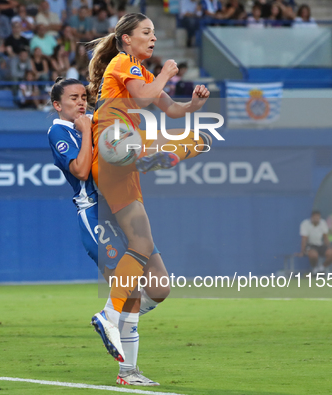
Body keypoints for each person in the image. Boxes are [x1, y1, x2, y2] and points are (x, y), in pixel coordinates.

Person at [86, 12, 212, 385]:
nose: (153, 37)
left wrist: (193, 106)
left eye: (154, 32)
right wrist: (168, 72)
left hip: (128, 165)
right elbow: (142, 98)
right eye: (146, 32)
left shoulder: (140, 72)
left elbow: (170, 108)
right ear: (126, 39)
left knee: (157, 285)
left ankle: (128, 365)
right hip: (113, 146)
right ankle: (110, 314)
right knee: (139, 241)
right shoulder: (123, 62)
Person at [48, 78, 173, 386]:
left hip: (122, 209)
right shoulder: (59, 131)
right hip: (96, 213)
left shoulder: (97, 122)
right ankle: (128, 371)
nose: (81, 102)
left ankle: (112, 319)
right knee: (128, 293)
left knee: (159, 287)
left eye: (84, 96)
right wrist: (87, 130)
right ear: (57, 105)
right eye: (73, 98)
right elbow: (79, 170)